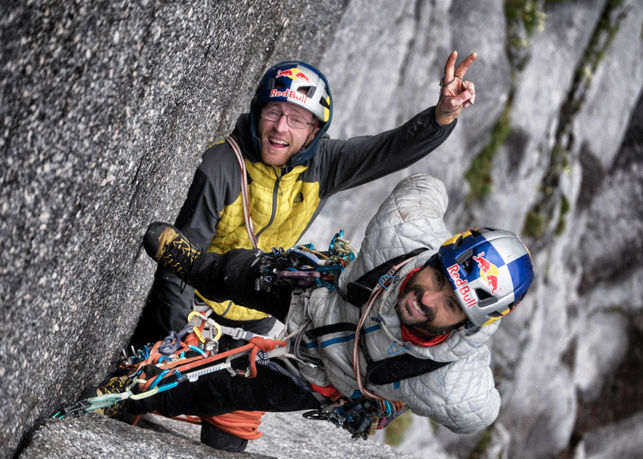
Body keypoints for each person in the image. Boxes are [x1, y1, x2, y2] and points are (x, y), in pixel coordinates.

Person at [129, 51, 477, 450]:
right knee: (137, 394)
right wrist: (179, 335)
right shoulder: (222, 166)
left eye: (297, 119)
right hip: (196, 310)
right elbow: (181, 262)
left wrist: (441, 116)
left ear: (314, 131)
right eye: (273, 112)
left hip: (253, 324)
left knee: (228, 437)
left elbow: (388, 150)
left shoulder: (322, 165)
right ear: (257, 113)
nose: (280, 128)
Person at [126, 174, 534, 441]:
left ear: (468, 324)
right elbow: (427, 186)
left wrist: (397, 396)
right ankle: (195, 266)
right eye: (441, 279)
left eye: (451, 304)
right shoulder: (404, 232)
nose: (427, 299)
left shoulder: (451, 383)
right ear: (435, 256)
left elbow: (479, 413)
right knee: (242, 274)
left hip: (326, 376)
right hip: (323, 293)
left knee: (231, 386)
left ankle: (137, 397)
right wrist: (441, 119)